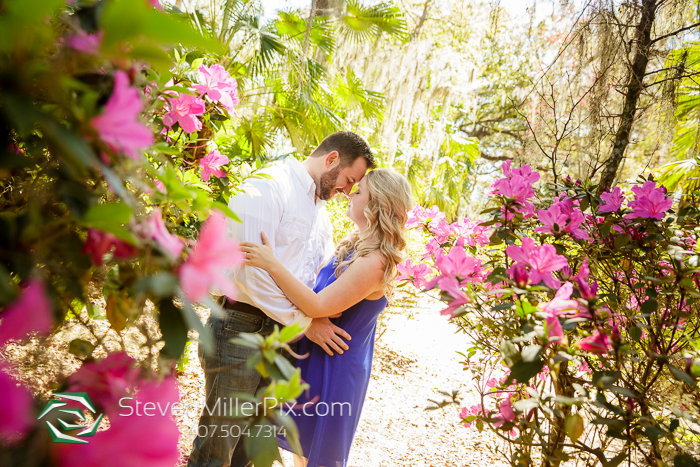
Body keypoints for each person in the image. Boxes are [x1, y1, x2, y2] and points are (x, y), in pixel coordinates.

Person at [187, 131, 376, 467]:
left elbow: (315, 276)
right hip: (240, 327)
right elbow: (252, 274)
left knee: (254, 446)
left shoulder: (319, 212)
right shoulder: (268, 186)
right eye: (348, 180)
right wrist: (307, 322)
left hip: (285, 340)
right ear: (331, 159)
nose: (347, 190)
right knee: (219, 444)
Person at [241, 168, 414, 467]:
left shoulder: (376, 262)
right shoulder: (353, 249)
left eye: (359, 192)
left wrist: (272, 264)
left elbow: (318, 304)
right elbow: (312, 295)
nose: (349, 192)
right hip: (313, 354)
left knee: (317, 457)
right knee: (300, 451)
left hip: (335, 365)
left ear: (376, 206)